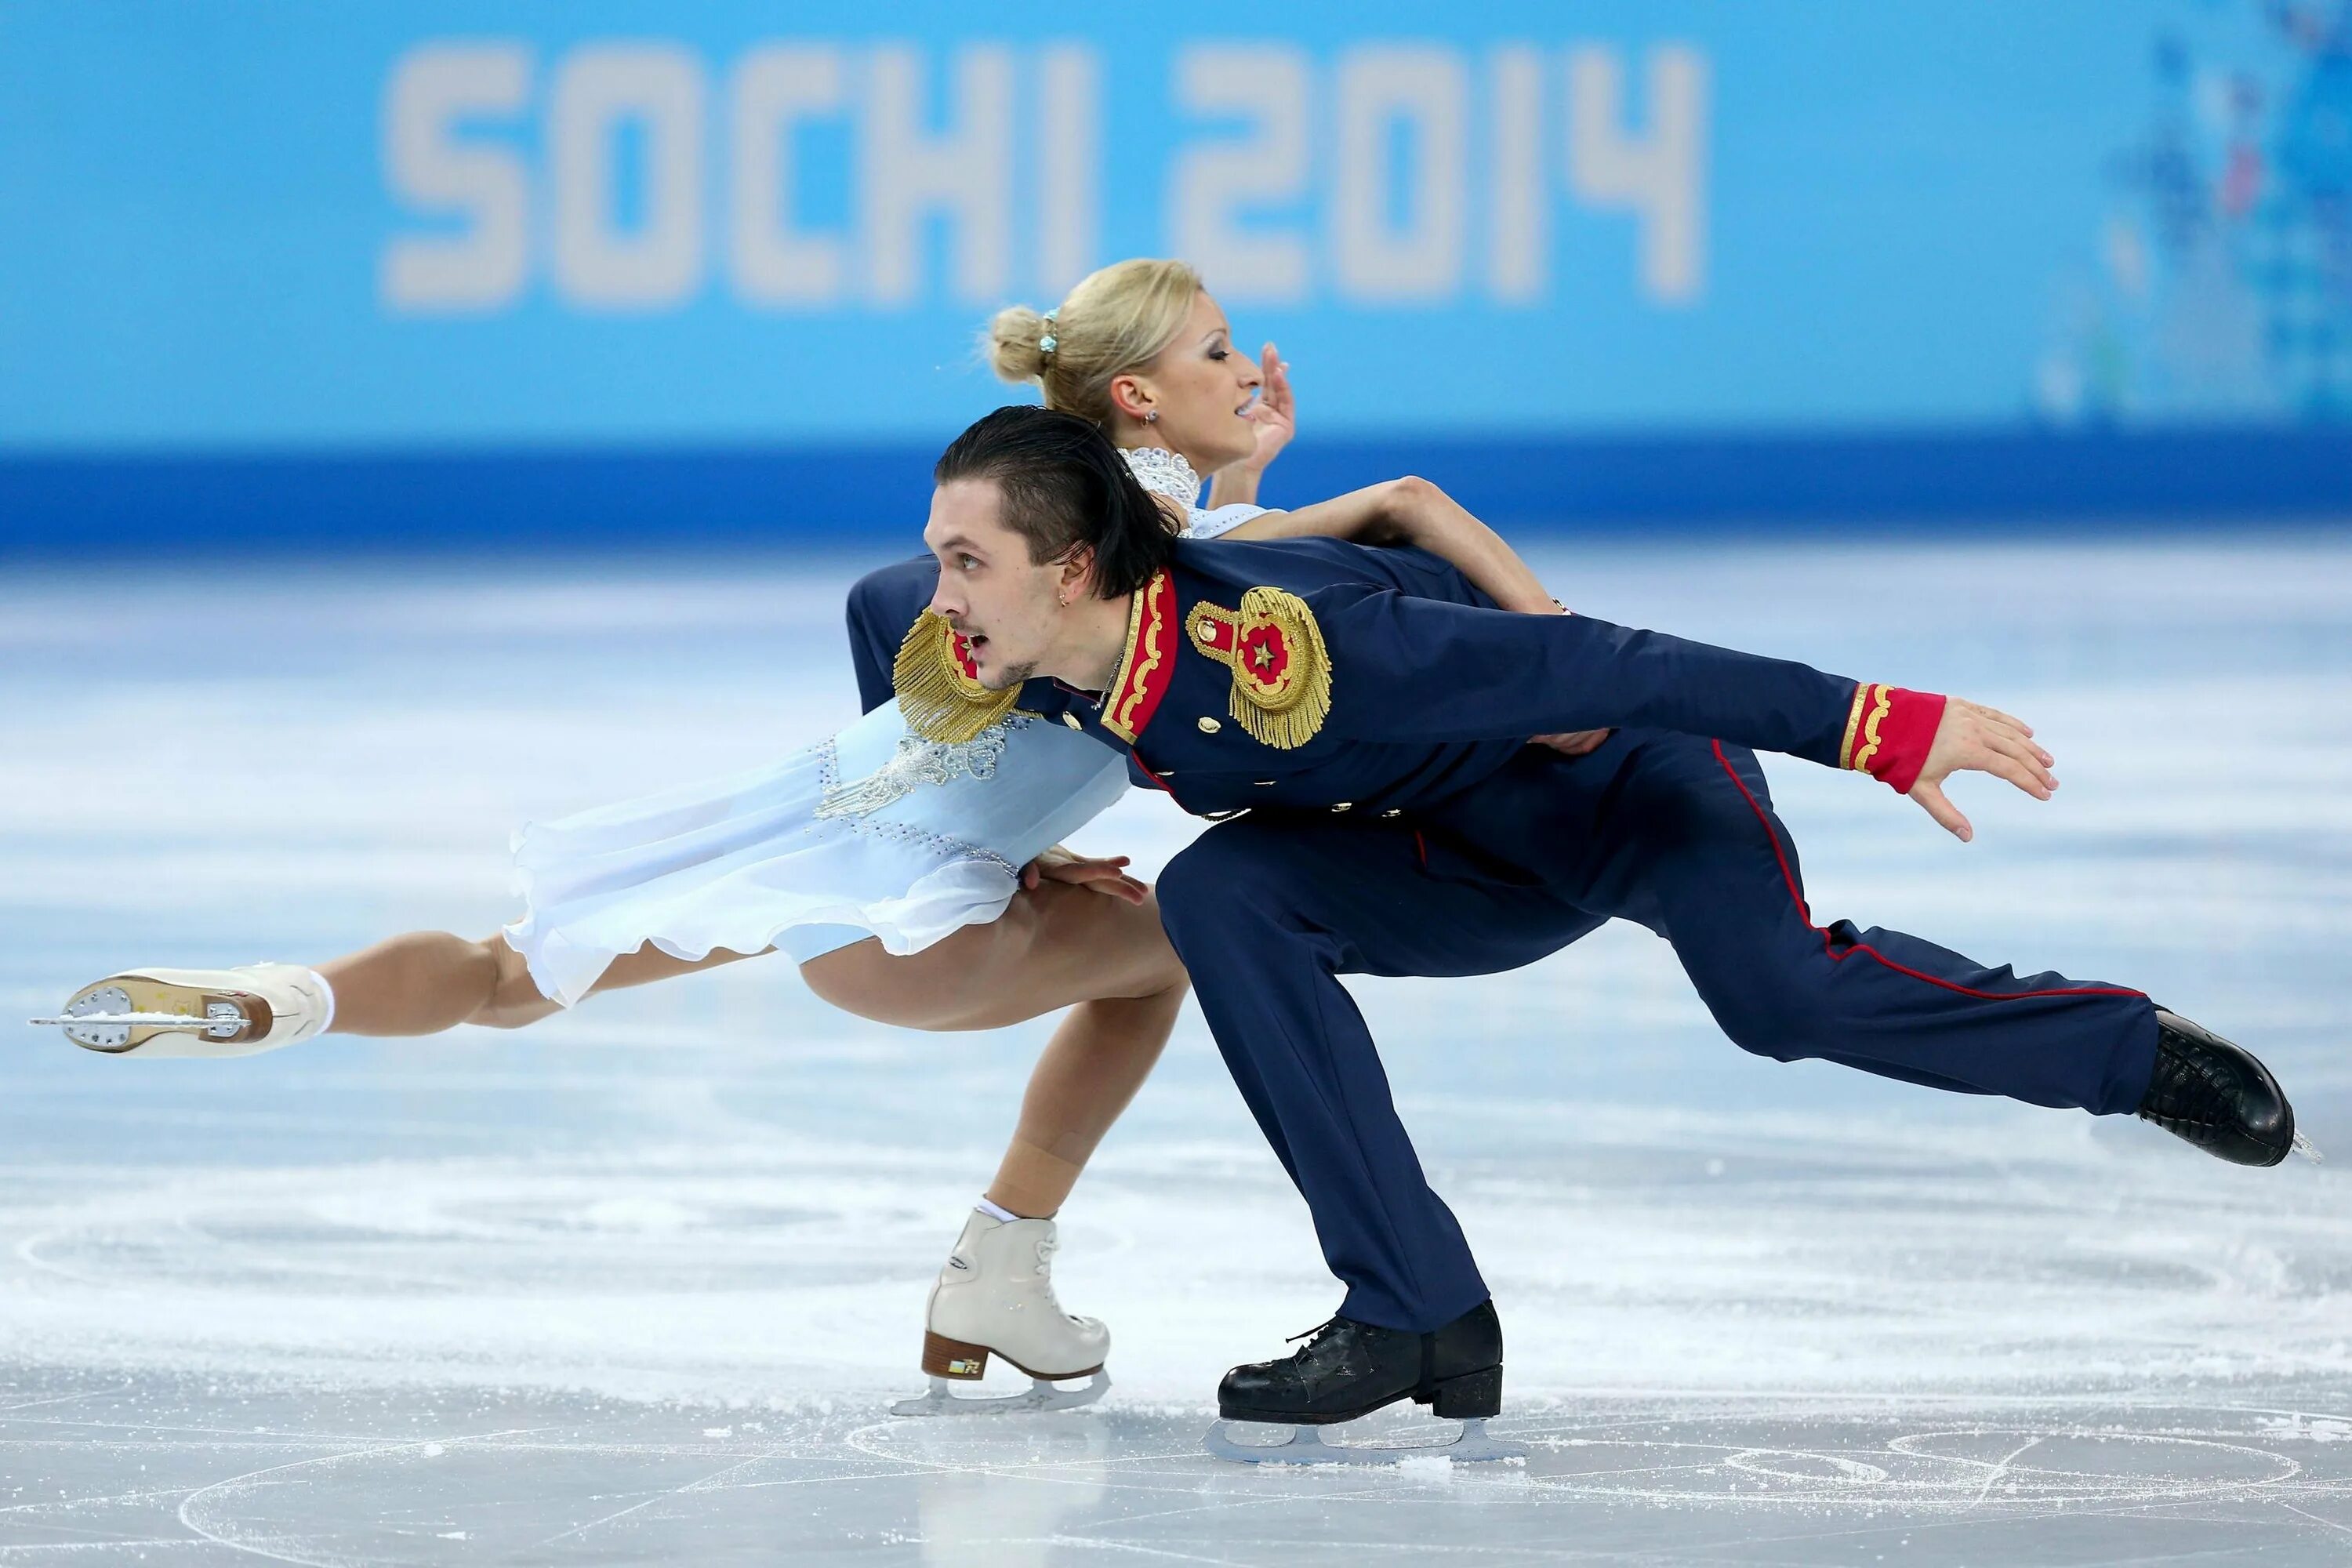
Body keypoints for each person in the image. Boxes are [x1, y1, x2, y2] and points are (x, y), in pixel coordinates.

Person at [33, 258, 1583, 1414]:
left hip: (827, 806)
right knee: (1189, 942)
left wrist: (1233, 483)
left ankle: (279, 996)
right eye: (1218, 350)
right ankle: (1002, 1260)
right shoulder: (1172, 541)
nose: (1249, 364)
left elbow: (921, 596)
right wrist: (1559, 658)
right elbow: (1394, 512)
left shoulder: (1068, 511)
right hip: (916, 917)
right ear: (1133, 397)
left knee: (518, 968)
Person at [887, 401, 2306, 1461]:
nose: (943, 591)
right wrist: (981, 844)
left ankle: (2133, 1051)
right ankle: (1417, 1308)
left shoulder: (1291, 650)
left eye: (968, 559)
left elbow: (1611, 662)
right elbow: (874, 615)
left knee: (1782, 1001)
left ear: (1072, 568)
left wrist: (1879, 726)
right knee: (1218, 896)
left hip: (1624, 783)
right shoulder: (1024, 648)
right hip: (1459, 861)